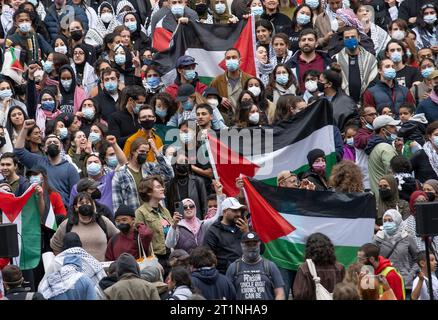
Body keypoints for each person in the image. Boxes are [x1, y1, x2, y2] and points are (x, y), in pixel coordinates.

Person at [14, 120, 80, 204]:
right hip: (40, 207)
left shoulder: (70, 168)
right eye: (49, 143)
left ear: (61, 146)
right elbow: (18, 151)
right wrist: (24, 129)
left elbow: (76, 194)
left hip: (62, 211)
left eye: (55, 142)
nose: (52, 143)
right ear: (45, 148)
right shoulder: (38, 161)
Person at [50, 192, 119, 261]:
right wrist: (62, 261)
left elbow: (119, 237)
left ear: (92, 205)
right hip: (76, 269)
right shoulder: (67, 224)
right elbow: (55, 244)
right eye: (81, 203)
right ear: (76, 207)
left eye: (87, 203)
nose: (85, 205)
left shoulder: (103, 221)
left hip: (102, 269)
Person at [112, 137, 173, 211]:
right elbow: (117, 203)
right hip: (135, 218)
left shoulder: (150, 168)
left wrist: (155, 151)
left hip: (155, 216)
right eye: (141, 151)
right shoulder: (120, 174)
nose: (144, 154)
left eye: (147, 152)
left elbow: (169, 174)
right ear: (133, 152)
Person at [166, 181, 223, 253]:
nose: (189, 208)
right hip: (186, 263)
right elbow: (169, 244)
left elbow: (219, 217)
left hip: (202, 261)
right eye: (185, 207)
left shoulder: (203, 224)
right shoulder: (178, 226)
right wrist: (174, 225)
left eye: (191, 206)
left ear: (195, 208)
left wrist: (219, 194)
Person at [226, 231, 285, 300]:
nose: (252, 247)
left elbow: (280, 294)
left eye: (254, 244)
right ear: (242, 245)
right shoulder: (233, 268)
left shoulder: (270, 266)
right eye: (248, 245)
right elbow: (227, 295)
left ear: (259, 244)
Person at [135, 176, 174, 275]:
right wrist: (153, 260)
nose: (163, 189)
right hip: (155, 258)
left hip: (170, 256)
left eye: (162, 186)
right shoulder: (140, 212)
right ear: (148, 192)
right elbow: (142, 240)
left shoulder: (165, 211)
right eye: (158, 187)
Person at [373, 209, 418, 290]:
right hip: (384, 282)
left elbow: (418, 259)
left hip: (404, 283)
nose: (387, 223)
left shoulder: (406, 237)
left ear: (397, 221)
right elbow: (371, 260)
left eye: (390, 220)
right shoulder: (378, 238)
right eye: (385, 221)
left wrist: (410, 275)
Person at [203, 197, 249, 274]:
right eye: (234, 210)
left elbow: (260, 250)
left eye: (239, 210)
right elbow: (207, 258)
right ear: (224, 212)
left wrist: (247, 233)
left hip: (246, 273)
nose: (238, 214)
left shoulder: (244, 227)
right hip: (225, 275)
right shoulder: (213, 231)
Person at [293, 233, 345, 300]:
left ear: (309, 249)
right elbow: (345, 292)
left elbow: (300, 294)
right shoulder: (339, 268)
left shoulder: (305, 268)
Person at [333, 26, 378, 103]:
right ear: (343, 40)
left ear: (359, 38)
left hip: (366, 102)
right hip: (344, 102)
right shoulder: (336, 59)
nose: (350, 39)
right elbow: (335, 82)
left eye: (353, 37)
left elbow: (374, 81)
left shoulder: (370, 59)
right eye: (347, 37)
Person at [286, 29, 332, 93]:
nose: (306, 42)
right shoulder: (290, 64)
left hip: (324, 100)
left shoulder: (328, 61)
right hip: (299, 101)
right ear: (299, 44)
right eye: (303, 40)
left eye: (310, 40)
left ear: (316, 44)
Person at [364, 115, 399, 197]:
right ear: (383, 130)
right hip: (388, 197)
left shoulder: (375, 146)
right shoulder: (385, 148)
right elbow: (392, 174)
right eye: (392, 127)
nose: (395, 129)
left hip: (379, 196)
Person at [317, 68, 358, 132]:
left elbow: (352, 124)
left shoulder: (347, 103)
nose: (318, 83)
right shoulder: (318, 99)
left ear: (329, 84)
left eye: (321, 81)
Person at [107, 85, 147, 149]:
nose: (142, 105)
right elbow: (116, 142)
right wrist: (138, 134)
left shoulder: (143, 116)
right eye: (140, 102)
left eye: (143, 103)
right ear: (130, 100)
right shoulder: (115, 117)